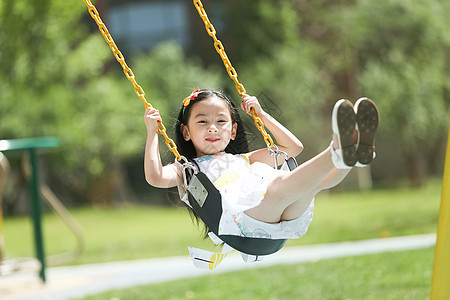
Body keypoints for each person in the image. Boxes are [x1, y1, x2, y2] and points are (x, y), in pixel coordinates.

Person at [144, 88, 378, 252]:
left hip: (281, 218)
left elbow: (292, 148)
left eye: (221, 122)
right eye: (202, 122)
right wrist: (152, 133)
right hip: (244, 224)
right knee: (279, 186)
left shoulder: (245, 159)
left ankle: (351, 156)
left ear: (233, 131)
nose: (213, 128)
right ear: (186, 132)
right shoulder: (188, 171)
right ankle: (337, 149)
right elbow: (155, 177)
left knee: (312, 184)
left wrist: (262, 115)